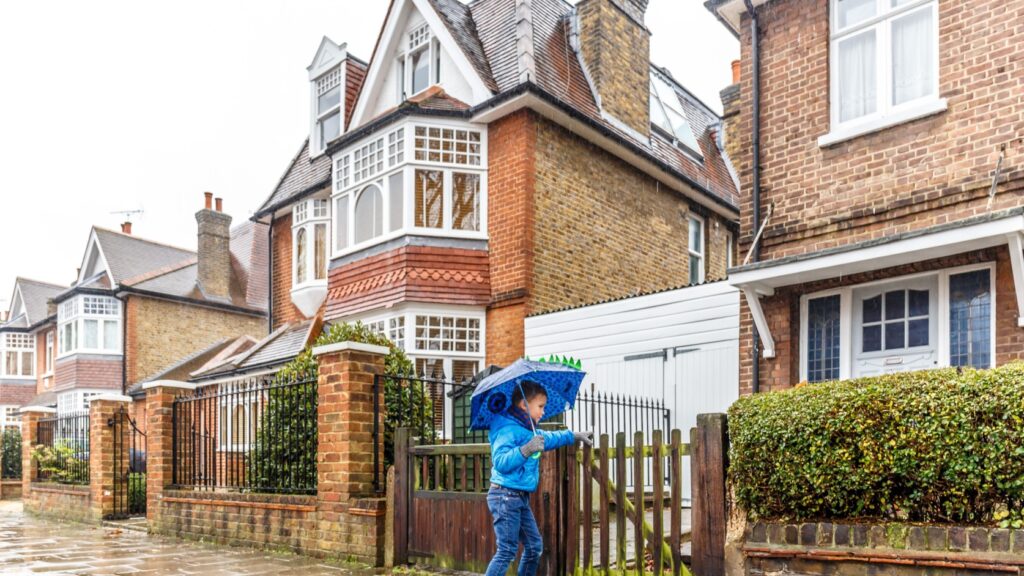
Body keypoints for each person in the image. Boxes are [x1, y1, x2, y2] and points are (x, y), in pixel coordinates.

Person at [485, 381, 593, 576]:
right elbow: (500, 462)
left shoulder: (528, 429)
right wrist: (526, 450)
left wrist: (575, 435)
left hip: (518, 497)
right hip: (504, 496)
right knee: (507, 551)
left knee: (535, 546)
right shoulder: (506, 428)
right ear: (524, 405)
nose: (543, 411)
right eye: (540, 406)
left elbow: (550, 438)